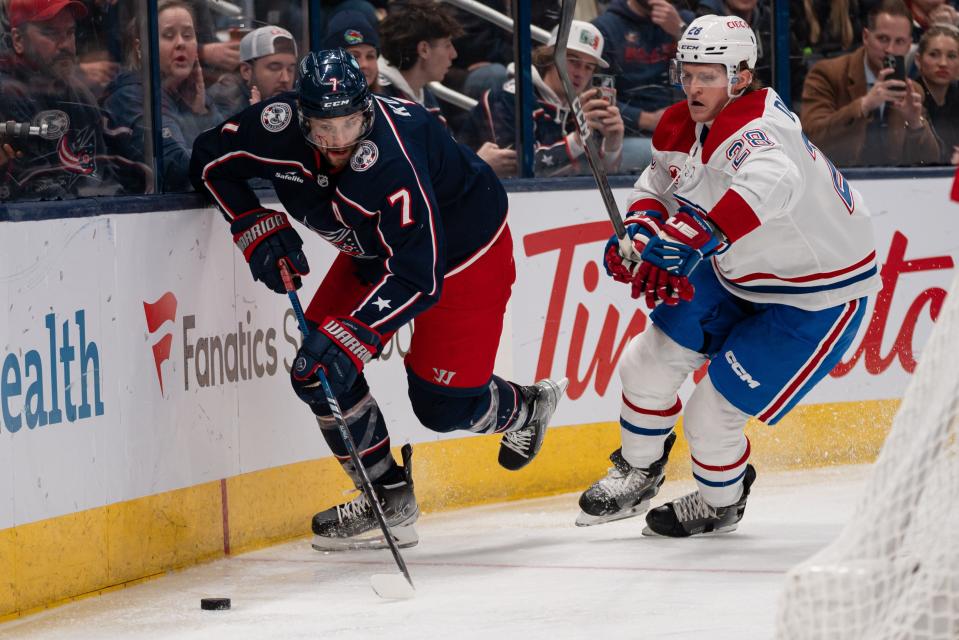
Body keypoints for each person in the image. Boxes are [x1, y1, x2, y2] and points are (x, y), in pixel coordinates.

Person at [189, 49, 568, 550]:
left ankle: (525, 408)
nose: (338, 143)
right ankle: (386, 494)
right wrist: (253, 223)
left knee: (441, 406)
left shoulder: (394, 157)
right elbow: (209, 161)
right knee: (317, 370)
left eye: (349, 125)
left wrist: (355, 333)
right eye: (324, 129)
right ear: (301, 116)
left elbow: (419, 276)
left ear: (365, 110)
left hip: (461, 254)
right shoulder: (275, 124)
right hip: (374, 248)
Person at [575, 15, 880, 537]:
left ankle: (721, 504)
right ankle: (639, 470)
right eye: (687, 72)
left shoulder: (763, 129)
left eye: (708, 75)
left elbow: (769, 183)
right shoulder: (679, 124)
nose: (693, 86)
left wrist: (692, 235)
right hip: (737, 271)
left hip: (815, 294)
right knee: (643, 365)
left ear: (740, 76)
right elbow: (657, 186)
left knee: (710, 417)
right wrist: (641, 234)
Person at [0, 0, 148, 200]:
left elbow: (105, 179)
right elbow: (36, 190)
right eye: (51, 33)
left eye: (70, 32)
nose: (66, 45)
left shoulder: (80, 95)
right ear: (18, 40)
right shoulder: (8, 94)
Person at [460, 20, 624, 178]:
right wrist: (577, 141)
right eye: (573, 61)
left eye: (589, 67)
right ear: (551, 57)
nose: (580, 73)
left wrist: (612, 145)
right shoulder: (508, 98)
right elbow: (517, 171)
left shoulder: (586, 107)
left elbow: (601, 181)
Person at [101, 0, 223, 191]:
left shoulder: (193, 95)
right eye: (168, 35)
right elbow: (177, 167)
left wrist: (201, 112)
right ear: (140, 48)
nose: (181, 43)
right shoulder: (130, 97)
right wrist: (197, 119)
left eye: (188, 35)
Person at [800, 0, 940, 167]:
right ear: (866, 37)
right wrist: (864, 105)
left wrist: (916, 124)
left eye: (899, 42)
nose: (890, 49)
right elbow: (810, 140)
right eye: (883, 39)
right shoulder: (826, 74)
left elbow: (931, 162)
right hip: (837, 184)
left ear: (909, 45)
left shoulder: (911, 90)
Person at [591, 0, 695, 171]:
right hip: (631, 133)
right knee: (670, 158)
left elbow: (713, 75)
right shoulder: (606, 28)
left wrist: (681, 31)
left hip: (685, 128)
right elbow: (598, 97)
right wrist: (647, 120)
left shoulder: (685, 21)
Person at [377, 0, 461, 125]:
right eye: (447, 45)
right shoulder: (380, 98)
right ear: (424, 49)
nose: (454, 54)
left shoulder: (423, 93)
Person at [208, 25, 299, 118]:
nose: (285, 79)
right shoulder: (226, 102)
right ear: (246, 71)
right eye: (274, 68)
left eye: (290, 69)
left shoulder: (296, 99)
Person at [915, 24, 959, 163]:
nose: (943, 63)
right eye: (934, 54)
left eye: (951, 56)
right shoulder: (910, 97)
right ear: (918, 60)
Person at [322, 9, 381, 91]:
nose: (364, 65)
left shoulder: (389, 102)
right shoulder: (313, 103)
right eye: (354, 57)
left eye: (370, 56)